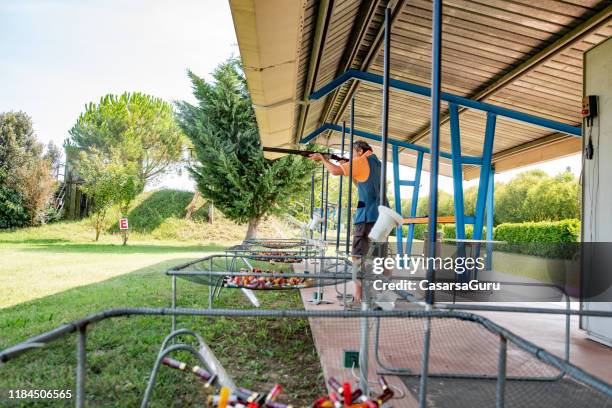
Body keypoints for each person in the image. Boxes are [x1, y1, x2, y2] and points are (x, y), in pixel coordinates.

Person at [309, 141, 388, 308]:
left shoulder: (360, 161)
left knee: (357, 256)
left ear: (359, 151)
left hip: (366, 216)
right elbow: (362, 183)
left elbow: (335, 171)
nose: (350, 157)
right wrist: (350, 169)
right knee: (379, 257)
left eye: (352, 153)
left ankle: (359, 298)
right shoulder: (377, 164)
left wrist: (322, 159)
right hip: (382, 216)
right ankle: (380, 297)